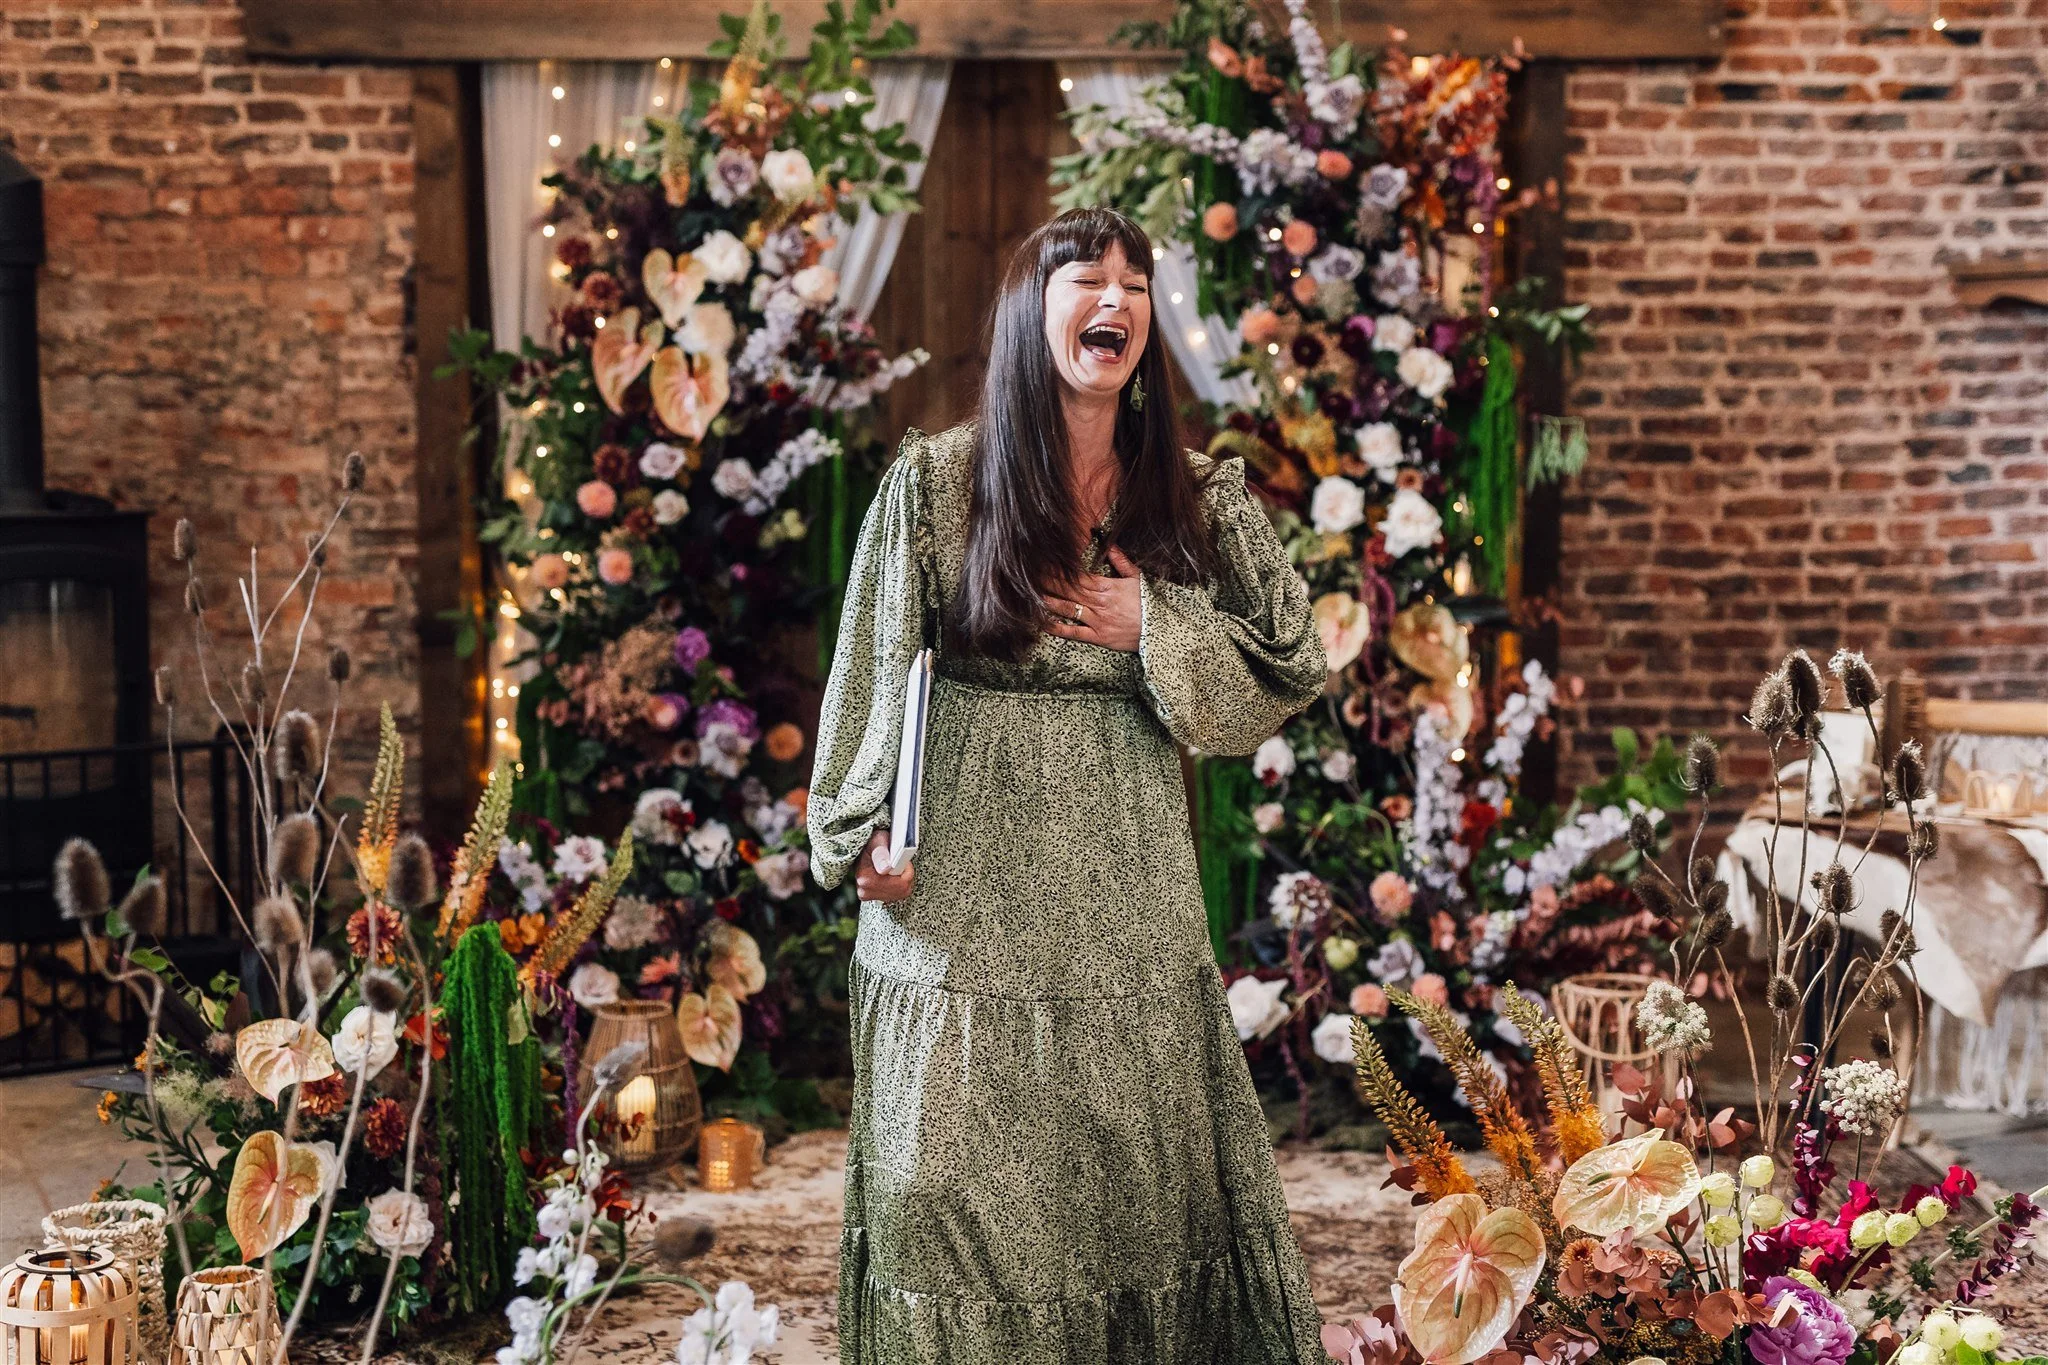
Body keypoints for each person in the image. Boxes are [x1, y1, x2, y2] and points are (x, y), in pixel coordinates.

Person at [808, 206, 1330, 1364]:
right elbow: (872, 675)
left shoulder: (1191, 496)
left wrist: (1158, 624)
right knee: (941, 1187)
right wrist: (857, 838)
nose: (1116, 301)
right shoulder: (939, 485)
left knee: (1127, 1197)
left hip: (1125, 891)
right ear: (1027, 312)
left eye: (1136, 284)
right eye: (1086, 278)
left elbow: (1293, 660)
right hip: (956, 893)